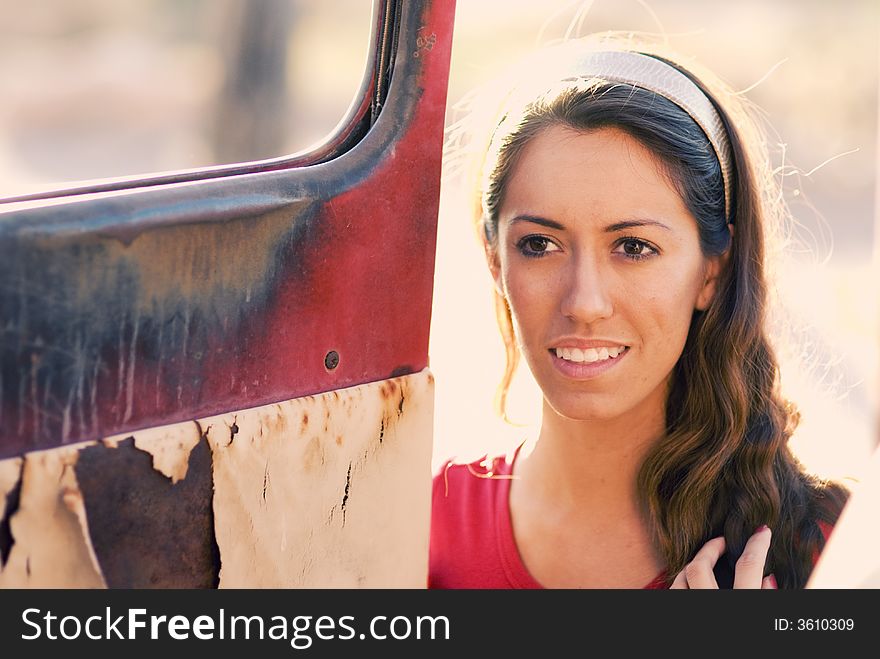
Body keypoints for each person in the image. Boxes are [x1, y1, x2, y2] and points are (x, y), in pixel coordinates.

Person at [429, 36, 850, 589]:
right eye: (539, 245)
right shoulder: (416, 526)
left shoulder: (837, 549)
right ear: (494, 260)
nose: (584, 303)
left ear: (710, 272)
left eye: (633, 247)